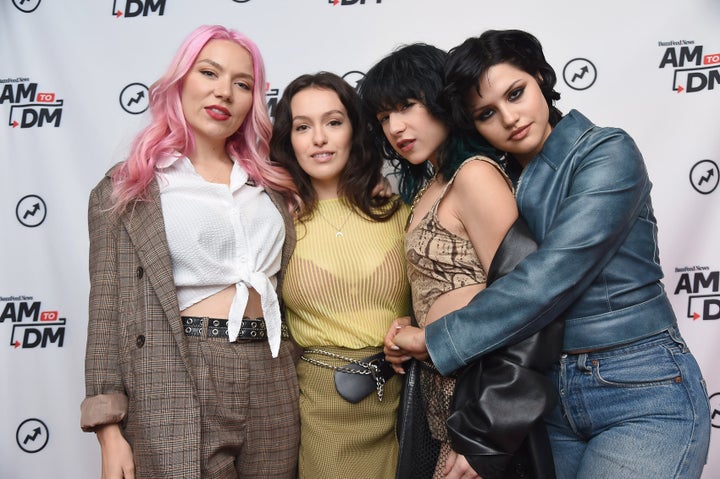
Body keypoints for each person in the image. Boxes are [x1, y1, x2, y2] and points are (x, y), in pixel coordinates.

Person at [388, 29, 712, 479]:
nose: (509, 118)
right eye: (486, 113)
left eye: (516, 93)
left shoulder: (606, 152)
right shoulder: (500, 178)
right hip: (548, 400)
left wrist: (437, 338)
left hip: (638, 386)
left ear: (541, 77)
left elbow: (552, 274)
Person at [80, 25, 301, 478]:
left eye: (243, 84)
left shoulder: (269, 187)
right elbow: (106, 310)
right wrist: (109, 432)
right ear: (180, 81)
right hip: (180, 368)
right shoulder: (128, 188)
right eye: (209, 73)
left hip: (272, 370)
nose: (225, 92)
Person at [359, 43, 562, 479]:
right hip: (439, 392)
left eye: (407, 106)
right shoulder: (430, 186)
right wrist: (406, 329)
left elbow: (525, 305)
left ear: (440, 98)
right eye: (383, 117)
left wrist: (488, 434)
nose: (396, 127)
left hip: (482, 396)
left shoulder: (475, 175)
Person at [269, 71, 411, 479]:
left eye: (333, 122)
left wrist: (411, 324)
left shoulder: (400, 211)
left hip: (405, 400)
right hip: (319, 409)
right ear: (288, 139)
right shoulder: (274, 220)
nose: (319, 138)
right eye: (302, 127)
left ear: (355, 129)